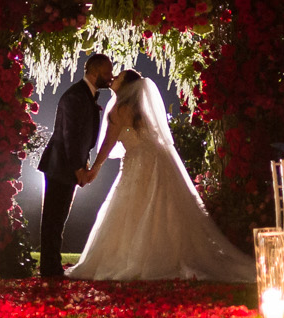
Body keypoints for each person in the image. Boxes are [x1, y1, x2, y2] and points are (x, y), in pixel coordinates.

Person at [67, 68, 255, 283]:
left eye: (118, 77)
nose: (114, 78)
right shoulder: (139, 110)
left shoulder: (119, 110)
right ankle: (168, 253)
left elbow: (108, 144)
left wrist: (94, 169)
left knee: (137, 206)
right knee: (161, 207)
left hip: (139, 163)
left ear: (126, 86)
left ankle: (140, 257)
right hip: (157, 160)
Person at [35, 53, 113, 278]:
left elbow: (81, 138)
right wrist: (79, 168)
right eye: (107, 72)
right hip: (60, 166)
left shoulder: (87, 96)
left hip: (66, 165)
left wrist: (83, 163)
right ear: (95, 71)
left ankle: (52, 266)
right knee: (53, 219)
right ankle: (50, 269)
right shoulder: (75, 96)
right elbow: (70, 136)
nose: (110, 77)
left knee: (58, 219)